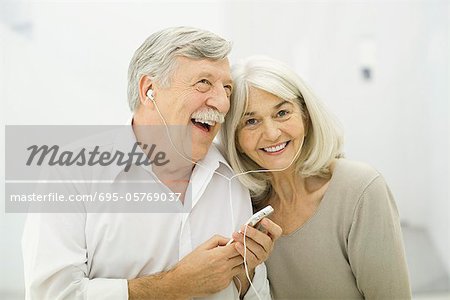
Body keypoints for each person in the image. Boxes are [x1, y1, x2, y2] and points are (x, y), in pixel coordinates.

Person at [22, 27, 281, 300]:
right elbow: (50, 295)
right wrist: (175, 285)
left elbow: (255, 294)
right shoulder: (69, 173)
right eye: (203, 82)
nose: (222, 103)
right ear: (149, 91)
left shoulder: (233, 174)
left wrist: (245, 273)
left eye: (226, 88)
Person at [220, 56, 412, 299]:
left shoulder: (361, 188)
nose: (271, 133)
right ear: (235, 138)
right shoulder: (242, 204)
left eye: (282, 112)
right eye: (251, 121)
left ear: (305, 116)